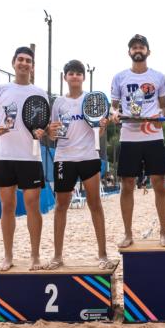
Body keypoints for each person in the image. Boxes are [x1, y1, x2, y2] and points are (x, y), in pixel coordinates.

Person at [0, 47, 48, 271]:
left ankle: (35, 256)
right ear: (13, 63)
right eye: (20, 59)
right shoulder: (0, 90)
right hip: (4, 156)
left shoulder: (40, 93)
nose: (24, 63)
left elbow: (45, 125)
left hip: (31, 156)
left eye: (28, 60)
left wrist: (43, 132)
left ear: (33, 66)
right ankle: (8, 256)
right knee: (7, 206)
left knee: (33, 206)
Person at [47, 60, 116, 269]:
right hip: (64, 157)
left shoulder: (91, 99)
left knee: (95, 204)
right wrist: (51, 131)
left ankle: (102, 254)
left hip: (88, 156)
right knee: (61, 206)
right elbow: (53, 135)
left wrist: (103, 126)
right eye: (71, 73)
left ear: (83, 77)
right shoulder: (58, 103)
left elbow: (99, 132)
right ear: (65, 77)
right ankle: (57, 256)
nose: (75, 76)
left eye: (78, 73)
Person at [111, 34, 165, 248]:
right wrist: (114, 114)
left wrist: (160, 118)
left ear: (148, 51)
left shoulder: (159, 77)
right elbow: (114, 107)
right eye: (134, 47)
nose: (138, 50)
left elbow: (163, 107)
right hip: (129, 135)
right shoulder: (119, 77)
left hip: (153, 135)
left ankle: (164, 232)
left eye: (141, 47)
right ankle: (128, 234)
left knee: (159, 183)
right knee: (127, 185)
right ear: (129, 52)